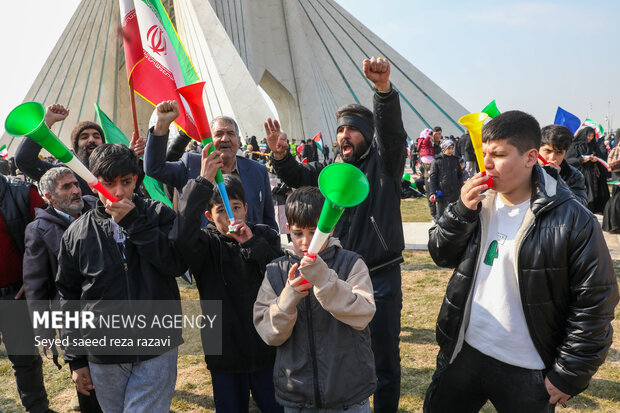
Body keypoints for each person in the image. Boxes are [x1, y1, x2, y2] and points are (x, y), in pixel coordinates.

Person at [424, 110, 619, 413]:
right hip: (464, 351)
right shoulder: (478, 201)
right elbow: (440, 253)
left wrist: (568, 373)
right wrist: (460, 211)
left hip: (528, 368)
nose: (486, 163)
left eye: (499, 155)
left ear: (530, 158)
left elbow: (596, 302)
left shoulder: (572, 219)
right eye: (485, 152)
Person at [265, 57, 406, 412]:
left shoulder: (386, 165)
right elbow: (299, 175)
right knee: (344, 352)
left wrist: (383, 92)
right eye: (340, 129)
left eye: (352, 129)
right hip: (336, 274)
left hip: (380, 274)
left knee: (385, 357)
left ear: (368, 135)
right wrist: (281, 157)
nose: (344, 135)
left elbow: (393, 135)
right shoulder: (331, 171)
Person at [56, 144, 187, 413]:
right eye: (108, 183)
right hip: (103, 352)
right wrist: (76, 359)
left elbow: (176, 264)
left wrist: (135, 223)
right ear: (93, 184)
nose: (118, 192)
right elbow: (68, 298)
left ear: (136, 180)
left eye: (126, 182)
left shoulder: (159, 215)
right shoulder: (76, 234)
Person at [170, 145, 283, 412]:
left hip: (267, 348)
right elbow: (179, 236)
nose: (231, 216)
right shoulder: (205, 244)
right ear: (208, 215)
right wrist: (201, 183)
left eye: (236, 207)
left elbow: (280, 275)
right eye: (221, 210)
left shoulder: (265, 236)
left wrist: (252, 244)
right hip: (225, 353)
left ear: (246, 208)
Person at [254, 187, 376, 411]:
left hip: (348, 391)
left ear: (330, 229)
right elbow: (269, 333)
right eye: (298, 233)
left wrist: (325, 280)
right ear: (288, 229)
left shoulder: (351, 264)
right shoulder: (275, 271)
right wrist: (289, 296)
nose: (306, 243)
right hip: (297, 394)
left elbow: (364, 314)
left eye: (314, 232)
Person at [23, 167, 101, 413]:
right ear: (49, 197)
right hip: (76, 320)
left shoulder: (97, 207)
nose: (77, 190)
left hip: (113, 308)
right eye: (66, 187)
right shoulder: (38, 230)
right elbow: (35, 285)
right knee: (89, 386)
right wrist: (44, 330)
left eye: (75, 184)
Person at [143, 101, 278, 231]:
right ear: (208, 140)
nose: (225, 139)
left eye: (230, 134)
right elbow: (154, 168)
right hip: (202, 250)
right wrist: (161, 125)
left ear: (239, 140)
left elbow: (269, 222)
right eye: (218, 134)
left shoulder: (258, 171)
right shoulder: (191, 164)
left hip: (248, 250)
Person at [0, 171, 57, 413]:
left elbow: (50, 231)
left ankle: (38, 409)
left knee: (24, 358)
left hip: (16, 294)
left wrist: (34, 274)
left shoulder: (22, 193)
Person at [15, 104, 146, 197]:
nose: (91, 140)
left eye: (96, 136)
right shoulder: (64, 173)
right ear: (75, 145)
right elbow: (24, 160)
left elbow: (134, 194)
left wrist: (131, 158)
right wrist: (46, 123)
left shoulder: (118, 168)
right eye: (84, 137)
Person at [565, 126, 610, 214]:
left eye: (592, 136)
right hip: (582, 174)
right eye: (588, 136)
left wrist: (596, 159)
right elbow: (568, 160)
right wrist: (581, 160)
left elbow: (601, 157)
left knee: (596, 193)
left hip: (594, 174)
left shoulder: (594, 146)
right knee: (587, 195)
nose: (590, 138)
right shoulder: (575, 146)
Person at [538, 125, 587, 205]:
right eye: (548, 151)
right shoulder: (525, 171)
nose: (552, 158)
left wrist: (558, 182)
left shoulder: (573, 175)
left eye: (559, 153)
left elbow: (580, 206)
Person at [428, 139, 463, 219]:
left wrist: (462, 187)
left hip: (455, 191)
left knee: (454, 214)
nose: (451, 150)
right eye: (449, 148)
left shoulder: (455, 160)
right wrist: (432, 192)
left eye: (452, 148)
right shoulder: (437, 161)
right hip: (442, 192)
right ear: (444, 148)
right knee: (441, 215)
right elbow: (433, 178)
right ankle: (439, 229)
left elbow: (460, 175)